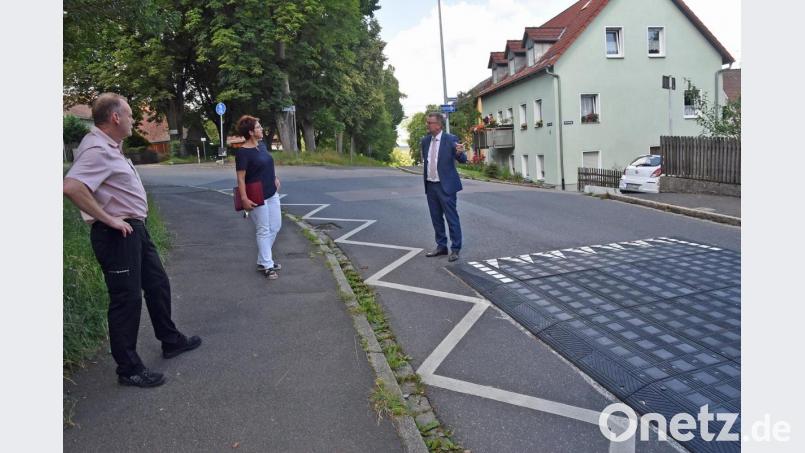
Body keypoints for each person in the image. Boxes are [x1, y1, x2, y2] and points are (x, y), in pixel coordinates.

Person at [63, 93, 201, 388]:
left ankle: (170, 340)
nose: (131, 120)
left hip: (135, 230)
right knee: (126, 299)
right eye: (127, 115)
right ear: (115, 117)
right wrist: (108, 219)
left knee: (157, 284)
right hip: (117, 234)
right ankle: (128, 369)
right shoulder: (97, 149)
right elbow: (72, 186)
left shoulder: (111, 147)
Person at [234, 115, 282, 279]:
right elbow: (241, 178)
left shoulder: (261, 146)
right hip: (256, 195)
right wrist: (244, 198)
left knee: (275, 226)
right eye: (259, 127)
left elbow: (267, 163)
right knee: (263, 230)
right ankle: (268, 266)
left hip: (271, 193)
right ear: (251, 132)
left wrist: (274, 178)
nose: (262, 129)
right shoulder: (242, 153)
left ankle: (263, 259)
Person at [420, 112, 467, 262]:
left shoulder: (450, 139)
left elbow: (463, 159)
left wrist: (460, 153)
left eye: (430, 123)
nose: (427, 125)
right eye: (427, 122)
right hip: (431, 185)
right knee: (436, 218)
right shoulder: (425, 141)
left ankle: (455, 249)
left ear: (439, 125)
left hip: (446, 186)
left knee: (451, 218)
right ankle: (441, 246)